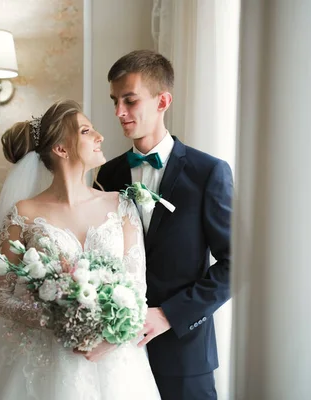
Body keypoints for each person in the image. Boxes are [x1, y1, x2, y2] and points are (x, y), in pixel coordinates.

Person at [0, 99, 161, 400]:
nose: (100, 136)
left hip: (114, 363)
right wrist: (55, 316)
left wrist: (109, 335)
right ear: (61, 149)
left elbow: (137, 291)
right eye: (87, 131)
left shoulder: (121, 205)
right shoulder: (24, 213)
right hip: (41, 359)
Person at [96, 50, 233, 400]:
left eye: (130, 100)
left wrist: (168, 315)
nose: (118, 113)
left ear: (163, 100)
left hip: (184, 354)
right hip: (115, 355)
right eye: (114, 101)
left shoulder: (208, 173)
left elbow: (236, 264)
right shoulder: (108, 174)